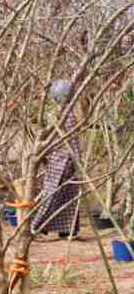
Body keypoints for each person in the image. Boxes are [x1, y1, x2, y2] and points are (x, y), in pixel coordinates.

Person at [32, 79, 83, 240]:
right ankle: (39, 226)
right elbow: (67, 139)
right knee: (54, 194)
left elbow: (71, 139)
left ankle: (64, 229)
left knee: (66, 195)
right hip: (61, 160)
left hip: (64, 160)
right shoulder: (61, 114)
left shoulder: (64, 114)